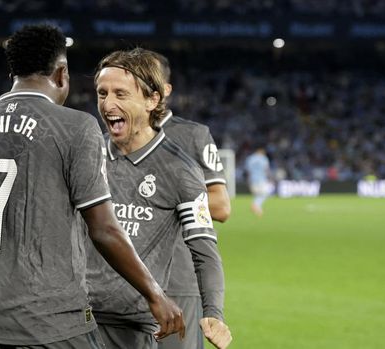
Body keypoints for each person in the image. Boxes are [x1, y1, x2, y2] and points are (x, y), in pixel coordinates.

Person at [0, 25, 184, 348]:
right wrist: (155, 293)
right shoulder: (76, 129)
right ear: (61, 73)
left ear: (12, 72)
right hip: (55, 323)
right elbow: (104, 230)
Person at [87, 48, 231, 349]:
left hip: (136, 327)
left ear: (152, 100)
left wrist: (213, 313)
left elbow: (204, 250)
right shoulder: (86, 157)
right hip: (79, 322)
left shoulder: (180, 171)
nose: (108, 103)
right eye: (102, 93)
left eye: (121, 94)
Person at [150, 50, 232, 349]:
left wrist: (158, 199)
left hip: (178, 279)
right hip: (120, 284)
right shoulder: (111, 139)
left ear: (165, 90)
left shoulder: (192, 135)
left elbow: (221, 206)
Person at [245, 145, 271, 217]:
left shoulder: (250, 159)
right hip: (261, 179)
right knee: (264, 194)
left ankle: (257, 208)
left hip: (252, 179)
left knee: (258, 195)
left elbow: (248, 171)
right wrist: (270, 178)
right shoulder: (263, 158)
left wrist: (248, 180)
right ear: (261, 151)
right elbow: (266, 169)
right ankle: (255, 205)